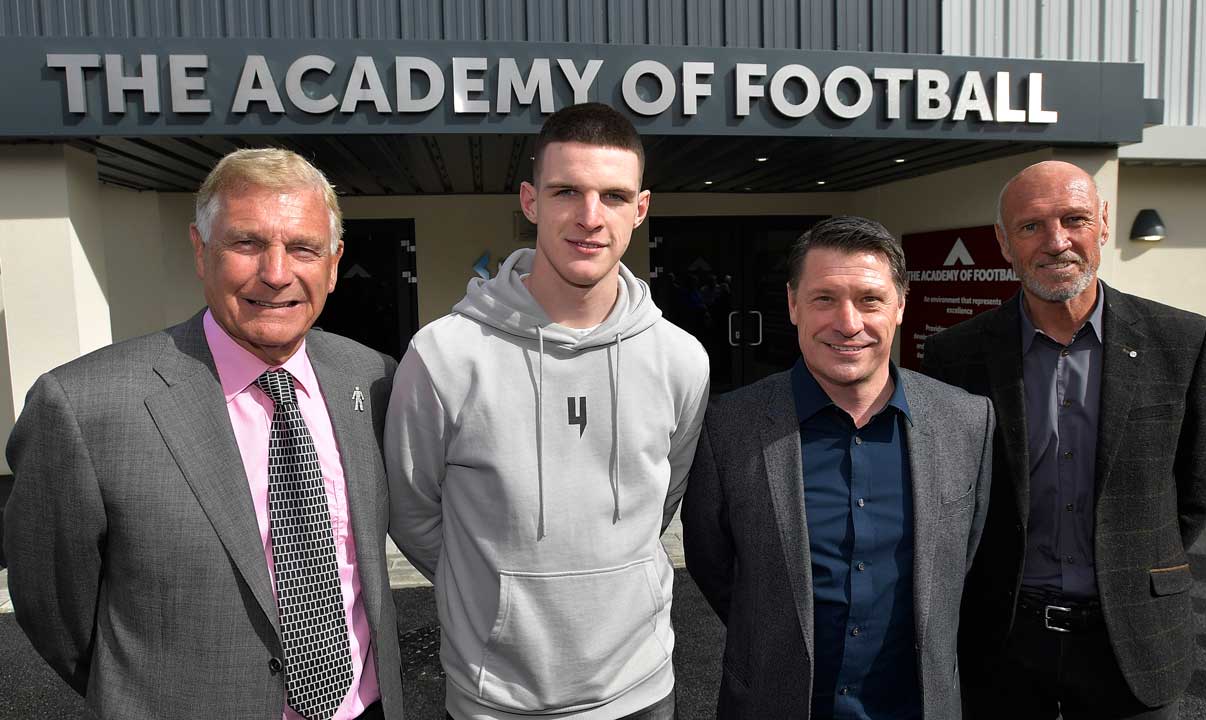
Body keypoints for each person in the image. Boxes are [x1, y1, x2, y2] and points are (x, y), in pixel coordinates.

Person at [3, 148, 403, 720]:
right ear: (200, 250)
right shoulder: (84, 407)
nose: (276, 273)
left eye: (303, 248)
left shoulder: (373, 377)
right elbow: (53, 608)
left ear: (334, 263)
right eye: (246, 244)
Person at [384, 102, 709, 720]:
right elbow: (414, 512)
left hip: (642, 689)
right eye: (567, 191)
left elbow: (662, 501)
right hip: (495, 700)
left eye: (614, 196)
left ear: (640, 210)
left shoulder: (681, 359)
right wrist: (496, 592)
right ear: (531, 202)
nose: (590, 218)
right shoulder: (444, 354)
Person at [922, 160, 1206, 719]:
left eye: (1074, 219)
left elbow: (1197, 491)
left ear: (1103, 224)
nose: (1056, 241)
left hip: (1134, 634)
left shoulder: (1186, 343)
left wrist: (1130, 559)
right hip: (1003, 637)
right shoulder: (954, 356)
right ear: (1003, 242)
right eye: (1031, 226)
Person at [683, 216, 995, 719]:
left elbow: (965, 560)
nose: (847, 323)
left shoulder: (967, 421)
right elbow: (713, 565)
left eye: (869, 299)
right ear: (792, 305)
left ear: (900, 306)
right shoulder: (729, 426)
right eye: (824, 298)